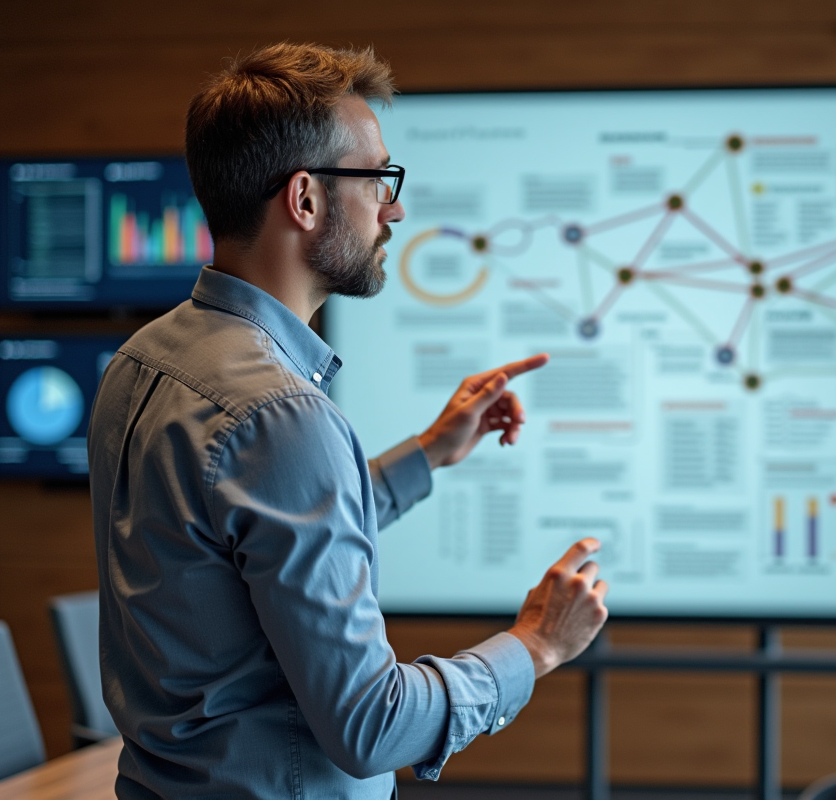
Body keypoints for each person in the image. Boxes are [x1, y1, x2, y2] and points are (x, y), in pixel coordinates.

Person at [87, 42, 609, 799]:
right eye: (379, 179)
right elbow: (372, 726)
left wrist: (428, 453)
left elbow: (242, 539)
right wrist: (534, 646)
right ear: (304, 199)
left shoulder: (142, 361)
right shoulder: (282, 415)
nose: (394, 209)